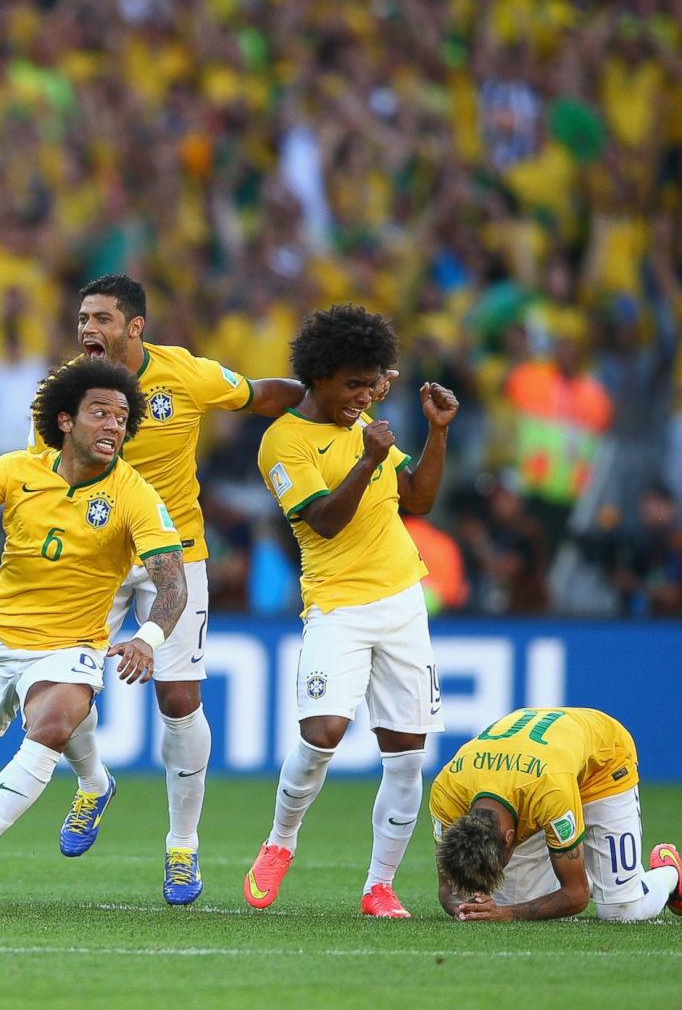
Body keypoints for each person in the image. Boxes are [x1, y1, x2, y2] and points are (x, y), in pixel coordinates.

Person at [0, 357, 188, 907]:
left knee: (49, 726)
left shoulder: (135, 494)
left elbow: (172, 585)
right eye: (101, 413)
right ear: (66, 420)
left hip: (71, 646)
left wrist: (148, 639)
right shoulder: (17, 469)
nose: (115, 426)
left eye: (122, 417)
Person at [49, 274, 308, 905]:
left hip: (176, 556)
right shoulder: (68, 388)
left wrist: (325, 393)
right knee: (58, 682)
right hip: (99, 554)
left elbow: (259, 394)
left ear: (135, 327)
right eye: (83, 318)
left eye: (102, 319)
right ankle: (92, 784)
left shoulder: (185, 375)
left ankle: (183, 848)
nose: (88, 330)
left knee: (179, 698)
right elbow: (44, 467)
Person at [246, 303, 458, 918]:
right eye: (353, 384)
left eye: (372, 383)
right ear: (319, 376)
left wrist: (437, 430)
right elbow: (324, 523)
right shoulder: (283, 441)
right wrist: (367, 457)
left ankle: (379, 886)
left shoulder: (368, 428)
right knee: (322, 736)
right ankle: (280, 842)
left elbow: (417, 497)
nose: (363, 396)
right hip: (336, 606)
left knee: (407, 754)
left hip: (401, 603)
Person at [432, 707, 682, 922]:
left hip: (603, 766)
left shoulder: (551, 793)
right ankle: (601, 874)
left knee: (622, 911)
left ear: (510, 838)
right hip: (540, 770)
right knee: (511, 898)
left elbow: (575, 895)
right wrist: (463, 907)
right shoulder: (447, 793)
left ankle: (669, 872)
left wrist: (505, 913)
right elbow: (447, 887)